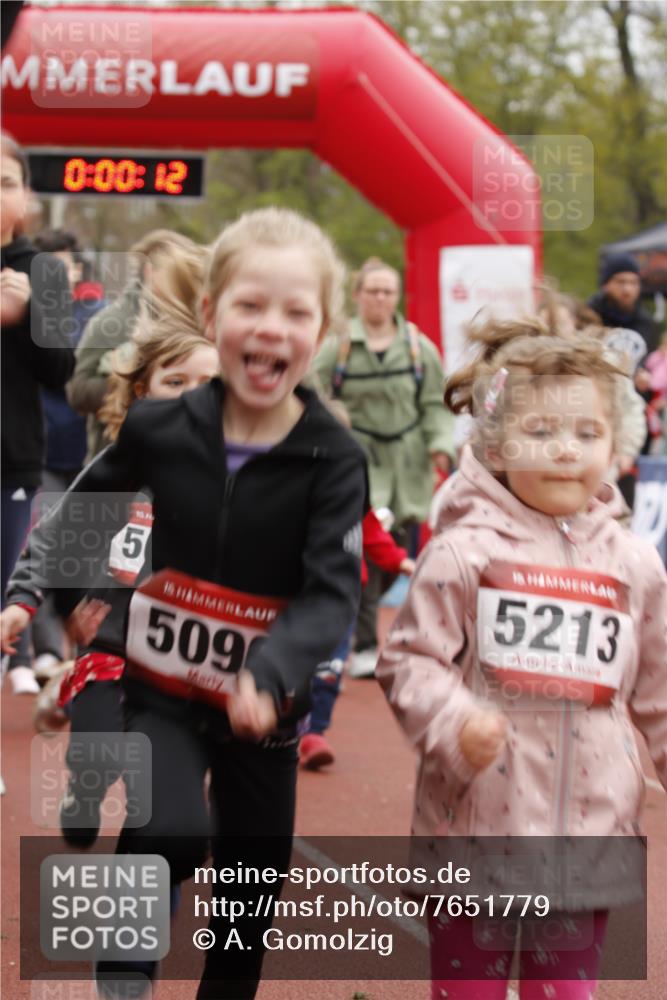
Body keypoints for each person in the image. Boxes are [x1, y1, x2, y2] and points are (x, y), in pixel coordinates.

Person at [1, 207, 367, 1000]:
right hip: (161, 691)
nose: (270, 328)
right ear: (210, 314)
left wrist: (269, 675)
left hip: (264, 707)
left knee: (249, 892)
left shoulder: (332, 456)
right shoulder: (160, 429)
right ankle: (122, 970)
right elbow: (79, 521)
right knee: (169, 827)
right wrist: (70, 609)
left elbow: (331, 590)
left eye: (295, 311)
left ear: (322, 329)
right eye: (249, 306)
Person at [377, 319, 667, 1000]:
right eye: (541, 433)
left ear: (615, 444)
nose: (565, 451)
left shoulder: (634, 565)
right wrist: (454, 722)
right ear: (496, 444)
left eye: (586, 434)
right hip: (474, 831)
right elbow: (409, 661)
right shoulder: (462, 552)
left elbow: (657, 685)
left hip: (586, 834)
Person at [313, 256, 454, 677]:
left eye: (387, 291)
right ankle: (363, 644)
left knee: (394, 550)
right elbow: (311, 392)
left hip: (406, 463)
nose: (379, 298)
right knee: (366, 546)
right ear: (358, 296)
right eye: (372, 290)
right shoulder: (336, 345)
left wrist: (440, 446)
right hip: (356, 460)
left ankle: (366, 639)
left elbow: (434, 402)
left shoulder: (416, 346)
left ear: (396, 297)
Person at [1, 131, 74, 695]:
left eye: (7, 183)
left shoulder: (42, 272)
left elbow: (61, 371)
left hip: (11, 465)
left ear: (25, 196)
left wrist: (26, 317)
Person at [67, 228, 203, 463]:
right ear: (150, 271)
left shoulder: (200, 320)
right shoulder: (112, 322)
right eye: (176, 268)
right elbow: (77, 390)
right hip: (118, 463)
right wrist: (136, 385)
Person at [299, 506, 415, 769]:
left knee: (330, 666)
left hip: (342, 592)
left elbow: (370, 529)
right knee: (292, 664)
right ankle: (282, 726)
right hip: (300, 587)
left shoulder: (348, 479)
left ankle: (314, 732)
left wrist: (399, 560)